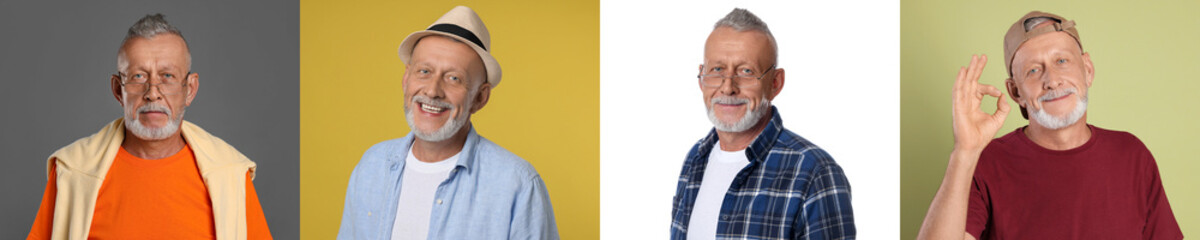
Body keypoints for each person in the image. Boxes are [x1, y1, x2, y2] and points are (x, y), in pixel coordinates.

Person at [917, 11, 1183, 240]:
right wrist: (964, 151)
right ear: (1015, 91)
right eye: (1033, 70)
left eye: (1062, 61)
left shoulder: (1132, 155)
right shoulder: (985, 162)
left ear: (1087, 69)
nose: (1052, 80)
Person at [27, 14, 272, 239]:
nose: (152, 93)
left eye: (167, 76)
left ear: (190, 89)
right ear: (117, 90)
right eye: (138, 76)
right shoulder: (72, 172)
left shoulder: (229, 174)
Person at [337, 6, 559, 240]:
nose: (433, 91)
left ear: (480, 98)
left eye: (454, 78)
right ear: (406, 78)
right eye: (424, 71)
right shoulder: (371, 166)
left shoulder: (518, 185)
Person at [670, 8, 856, 240]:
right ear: (701, 78)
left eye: (746, 71)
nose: (728, 87)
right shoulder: (695, 160)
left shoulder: (814, 173)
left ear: (775, 83)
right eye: (717, 70)